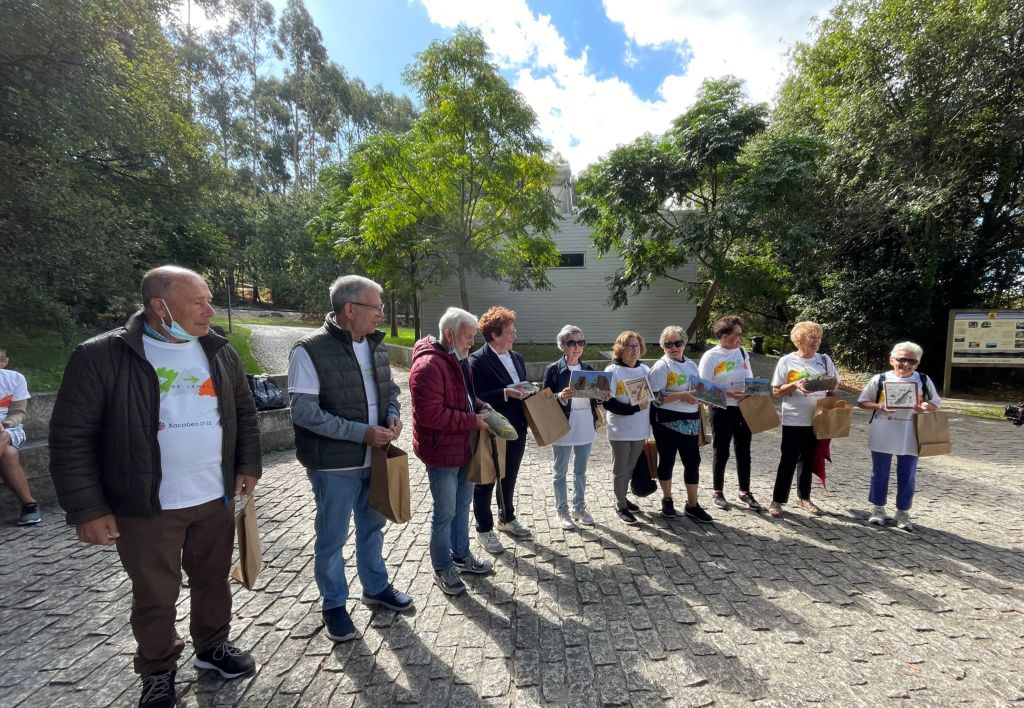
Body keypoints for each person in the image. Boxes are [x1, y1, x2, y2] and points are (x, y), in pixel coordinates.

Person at [49, 266, 261, 708]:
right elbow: (71, 437)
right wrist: (87, 510)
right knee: (155, 595)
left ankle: (212, 648)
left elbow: (244, 412)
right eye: (198, 302)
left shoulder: (219, 351)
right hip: (147, 506)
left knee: (212, 580)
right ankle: (158, 669)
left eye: (208, 300)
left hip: (214, 496)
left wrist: (247, 465)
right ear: (159, 307)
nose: (210, 310)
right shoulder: (101, 356)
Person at [287, 275, 412, 644]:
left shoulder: (375, 346)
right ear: (350, 309)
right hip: (334, 465)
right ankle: (334, 605)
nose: (382, 314)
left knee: (373, 528)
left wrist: (392, 415)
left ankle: (375, 587)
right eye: (376, 307)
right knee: (333, 536)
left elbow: (390, 390)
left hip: (375, 458)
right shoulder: (309, 350)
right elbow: (304, 412)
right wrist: (362, 432)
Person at [409, 307, 494, 596]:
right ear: (450, 334)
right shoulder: (429, 366)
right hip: (442, 452)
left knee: (460, 506)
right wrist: (472, 420)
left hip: (462, 447)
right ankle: (442, 566)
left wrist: (481, 406)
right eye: (468, 336)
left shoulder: (459, 359)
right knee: (444, 511)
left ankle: (461, 555)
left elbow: (466, 397)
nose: (472, 342)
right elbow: (429, 415)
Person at [857, 341, 941, 530]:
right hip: (883, 430)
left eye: (912, 361)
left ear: (917, 363)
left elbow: (935, 403)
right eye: (901, 359)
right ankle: (878, 509)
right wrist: (879, 406)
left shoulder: (924, 380)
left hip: (911, 433)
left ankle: (903, 512)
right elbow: (862, 402)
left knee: (908, 475)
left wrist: (925, 407)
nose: (906, 364)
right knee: (880, 473)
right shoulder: (880, 379)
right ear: (892, 360)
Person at [468, 306, 530, 554]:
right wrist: (505, 392)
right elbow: (475, 396)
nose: (514, 336)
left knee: (510, 475)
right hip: (492, 430)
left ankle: (507, 517)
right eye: (510, 332)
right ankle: (484, 529)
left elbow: (520, 386)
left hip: (518, 426)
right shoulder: (477, 361)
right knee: (486, 480)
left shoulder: (517, 357)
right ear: (494, 335)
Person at [769, 321, 840, 518]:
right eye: (811, 337)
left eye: (818, 337)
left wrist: (831, 398)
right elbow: (776, 391)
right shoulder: (787, 361)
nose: (816, 341)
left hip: (817, 419)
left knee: (808, 460)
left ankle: (805, 498)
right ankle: (777, 500)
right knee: (788, 460)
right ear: (799, 340)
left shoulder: (824, 360)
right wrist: (795, 385)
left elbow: (835, 387)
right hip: (794, 418)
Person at [648, 327, 713, 523]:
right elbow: (654, 397)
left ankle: (692, 504)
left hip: (691, 422)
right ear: (663, 346)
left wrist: (704, 398)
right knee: (667, 461)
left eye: (678, 343)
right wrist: (682, 396)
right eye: (668, 344)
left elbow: (698, 389)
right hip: (667, 422)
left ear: (685, 343)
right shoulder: (662, 366)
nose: (674, 347)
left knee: (693, 462)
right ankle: (667, 500)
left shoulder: (692, 365)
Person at [697, 315, 761, 512]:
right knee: (721, 451)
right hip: (721, 409)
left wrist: (753, 388)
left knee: (744, 451)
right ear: (724, 335)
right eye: (737, 335)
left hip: (743, 408)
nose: (740, 339)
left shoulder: (742, 353)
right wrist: (727, 393)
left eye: (741, 334)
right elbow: (702, 389)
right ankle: (718, 491)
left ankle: (745, 491)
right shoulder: (711, 357)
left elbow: (748, 377)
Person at [542, 325, 599, 529]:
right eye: (571, 343)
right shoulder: (554, 370)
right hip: (562, 425)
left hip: (585, 424)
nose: (577, 347)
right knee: (560, 471)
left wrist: (603, 396)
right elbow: (543, 399)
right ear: (563, 346)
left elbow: (597, 400)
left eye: (580, 342)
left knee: (581, 470)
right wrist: (560, 396)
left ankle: (579, 507)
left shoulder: (588, 369)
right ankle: (562, 510)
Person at [603, 330, 652, 524]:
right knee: (621, 468)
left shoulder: (645, 371)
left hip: (640, 429)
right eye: (630, 346)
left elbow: (653, 398)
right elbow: (609, 404)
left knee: (630, 466)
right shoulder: (612, 371)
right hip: (619, 430)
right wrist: (635, 408)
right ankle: (620, 505)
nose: (634, 350)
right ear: (620, 349)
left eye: (637, 346)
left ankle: (622, 497)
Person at [0, 347, 40, 525]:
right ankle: (29, 504)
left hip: (11, 429)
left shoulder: (15, 379)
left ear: (4, 362)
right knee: (8, 454)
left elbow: (19, 413)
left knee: (2, 436)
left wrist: (6, 423)